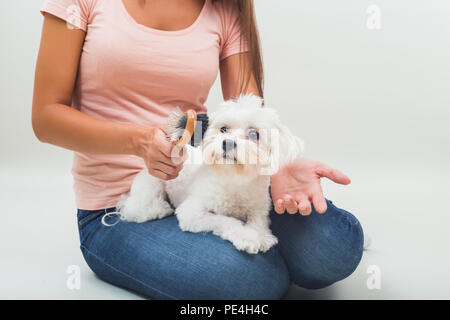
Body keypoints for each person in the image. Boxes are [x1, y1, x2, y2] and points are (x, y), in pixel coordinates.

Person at [32, 0, 364, 299]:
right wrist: (139, 140)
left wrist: (278, 165)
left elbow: (245, 113)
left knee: (334, 244)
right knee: (251, 280)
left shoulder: (225, 8)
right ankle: (262, 266)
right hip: (117, 207)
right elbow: (46, 118)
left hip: (209, 179)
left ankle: (261, 261)